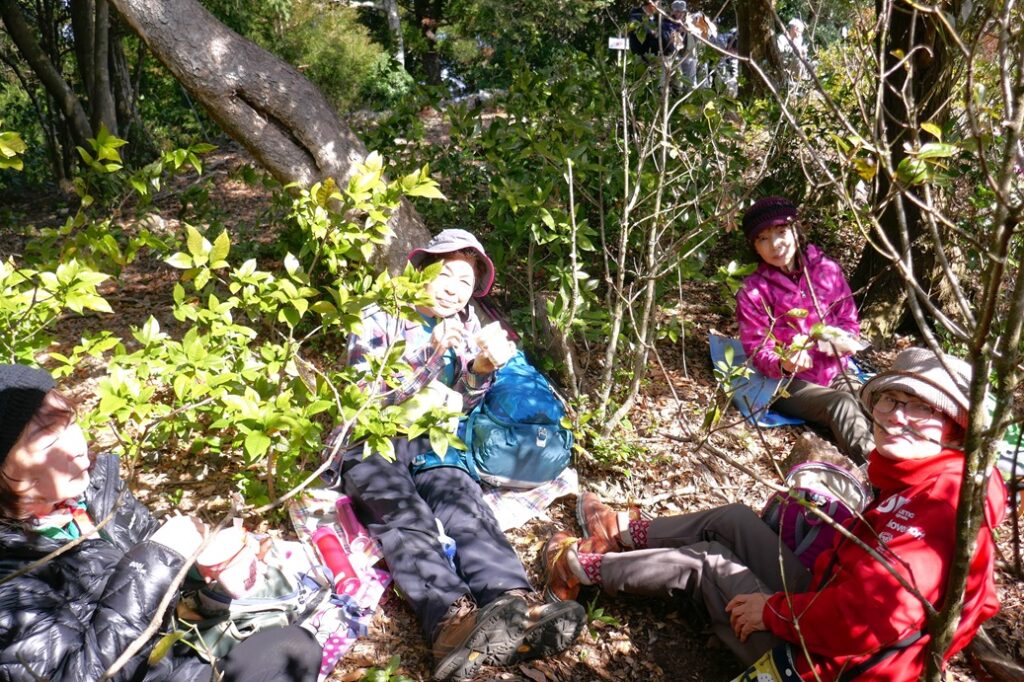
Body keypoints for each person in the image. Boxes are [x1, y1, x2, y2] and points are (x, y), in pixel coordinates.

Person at [544, 347, 1006, 680]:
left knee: (709, 562)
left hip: (827, 663)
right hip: (824, 603)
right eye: (892, 400)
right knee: (734, 520)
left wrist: (774, 612)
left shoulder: (942, 503)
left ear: (956, 429)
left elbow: (865, 619)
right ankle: (621, 533)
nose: (897, 415)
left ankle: (579, 569)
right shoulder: (924, 478)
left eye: (922, 407)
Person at [327, 229, 585, 681]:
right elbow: (363, 403)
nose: (453, 289)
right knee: (405, 517)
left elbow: (460, 403)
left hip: (432, 440)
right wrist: (431, 359)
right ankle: (450, 624)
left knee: (465, 504)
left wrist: (480, 370)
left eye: (465, 283)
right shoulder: (378, 317)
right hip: (372, 442)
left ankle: (511, 604)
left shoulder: (465, 327)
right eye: (445, 275)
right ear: (421, 270)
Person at [0, 364, 324, 682]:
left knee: (294, 649)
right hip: (130, 670)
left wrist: (201, 567)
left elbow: (154, 561)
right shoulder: (11, 573)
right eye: (46, 442)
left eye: (70, 423)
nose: (77, 446)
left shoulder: (92, 491)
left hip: (164, 657)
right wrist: (156, 560)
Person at [735, 195, 874, 463]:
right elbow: (758, 349)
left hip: (836, 370)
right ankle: (874, 470)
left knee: (868, 401)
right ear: (754, 247)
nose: (775, 244)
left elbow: (848, 319)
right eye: (763, 238)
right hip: (789, 384)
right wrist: (784, 363)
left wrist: (840, 338)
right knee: (841, 404)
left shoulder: (826, 270)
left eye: (781, 232)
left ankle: (905, 466)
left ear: (796, 230)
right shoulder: (754, 291)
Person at [776, 18, 809, 91]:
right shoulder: (782, 38)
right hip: (785, 63)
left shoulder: (799, 39)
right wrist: (794, 50)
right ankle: (796, 81)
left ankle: (803, 79)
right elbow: (780, 53)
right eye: (800, 31)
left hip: (796, 64)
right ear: (794, 29)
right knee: (798, 58)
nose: (800, 34)